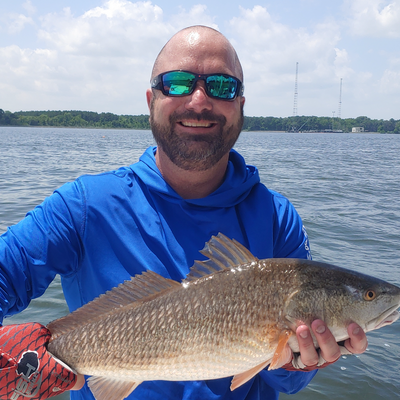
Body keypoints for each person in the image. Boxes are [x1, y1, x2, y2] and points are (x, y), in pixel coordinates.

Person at [0, 25, 367, 400]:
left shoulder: (276, 218)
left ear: (240, 105)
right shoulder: (83, 206)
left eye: (222, 86)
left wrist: (300, 362)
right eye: (177, 83)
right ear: (150, 100)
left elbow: (284, 381)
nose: (198, 101)